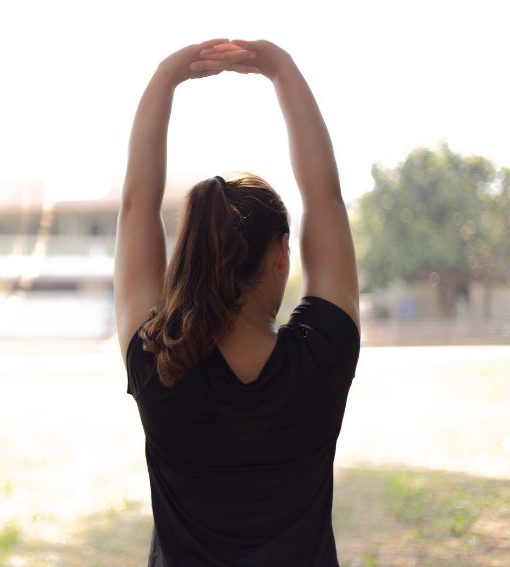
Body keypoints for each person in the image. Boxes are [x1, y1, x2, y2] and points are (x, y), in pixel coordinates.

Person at [113, 38, 361, 566]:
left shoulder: (158, 365)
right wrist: (282, 69)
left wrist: (164, 78)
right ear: (280, 257)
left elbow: (136, 206)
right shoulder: (324, 355)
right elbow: (326, 197)